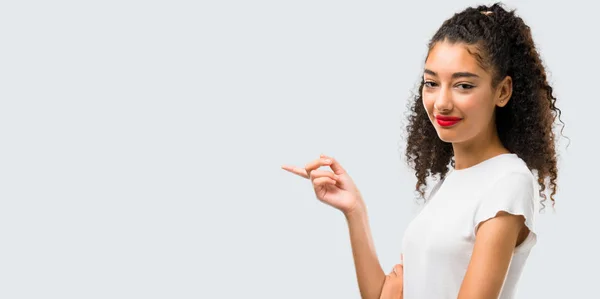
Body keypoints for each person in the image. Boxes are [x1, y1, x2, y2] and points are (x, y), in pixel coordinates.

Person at [281, 2, 564, 299]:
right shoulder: (447, 185)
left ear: (502, 91)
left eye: (463, 85)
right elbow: (383, 294)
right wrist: (354, 210)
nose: (441, 101)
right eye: (431, 82)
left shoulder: (507, 183)